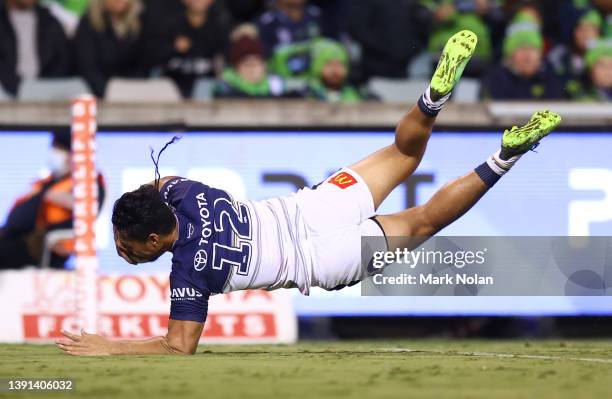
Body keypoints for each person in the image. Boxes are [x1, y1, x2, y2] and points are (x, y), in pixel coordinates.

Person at [55, 31, 562, 356]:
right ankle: (431, 101)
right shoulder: (185, 191)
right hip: (317, 205)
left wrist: (109, 348)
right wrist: (146, 194)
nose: (122, 251)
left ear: (153, 238)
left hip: (321, 259)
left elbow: (177, 348)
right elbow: (158, 183)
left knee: (426, 219)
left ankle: (504, 158)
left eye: (126, 244)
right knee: (405, 154)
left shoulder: (189, 268)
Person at [0, 131, 106, 270]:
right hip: (13, 238)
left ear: (72, 154)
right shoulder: (50, 180)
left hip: (41, 247)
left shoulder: (88, 181)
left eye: (58, 148)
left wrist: (61, 198)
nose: (54, 153)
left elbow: (90, 209)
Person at [155, 0, 232, 98]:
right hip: (173, 83)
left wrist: (220, 65)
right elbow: (155, 56)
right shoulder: (171, 24)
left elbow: (223, 59)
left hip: (205, 87)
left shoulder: (218, 27)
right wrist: (173, 49)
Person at [73, 0, 148, 98]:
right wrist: (110, 94)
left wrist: (131, 91)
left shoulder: (141, 21)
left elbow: (145, 62)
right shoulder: (89, 22)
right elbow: (88, 67)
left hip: (135, 93)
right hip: (98, 94)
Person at [0, 0, 71, 96]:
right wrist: (19, 87)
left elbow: (62, 61)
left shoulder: (50, 22)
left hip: (46, 91)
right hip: (5, 91)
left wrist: (41, 88)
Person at [480, 20, 564, 100]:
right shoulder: (496, 79)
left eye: (532, 48)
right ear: (510, 55)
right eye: (521, 48)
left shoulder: (551, 77)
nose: (527, 54)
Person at [213, 28, 287, 99]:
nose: (253, 69)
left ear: (264, 66)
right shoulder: (224, 90)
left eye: (257, 64)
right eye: (247, 65)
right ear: (236, 68)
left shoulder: (276, 88)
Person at [548, 8, 603, 99]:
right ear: (573, 32)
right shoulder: (559, 57)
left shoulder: (607, 58)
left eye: (592, 30)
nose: (586, 34)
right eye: (582, 29)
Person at [305, 39, 371, 103]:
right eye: (329, 64)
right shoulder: (308, 95)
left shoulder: (355, 95)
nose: (335, 70)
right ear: (317, 67)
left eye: (339, 64)